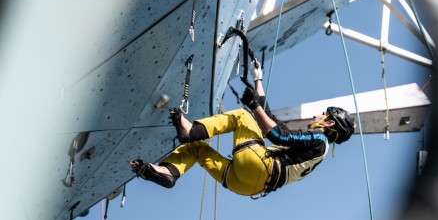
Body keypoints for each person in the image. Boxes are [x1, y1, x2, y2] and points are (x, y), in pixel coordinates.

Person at [130, 67, 355, 197]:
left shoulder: (318, 138)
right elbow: (271, 119)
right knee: (197, 150)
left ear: (329, 124)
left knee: (242, 116)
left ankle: (191, 129)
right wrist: (258, 80)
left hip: (260, 166)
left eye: (323, 114)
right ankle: (168, 172)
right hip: (247, 186)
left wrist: (253, 107)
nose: (317, 115)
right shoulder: (316, 151)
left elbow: (277, 135)